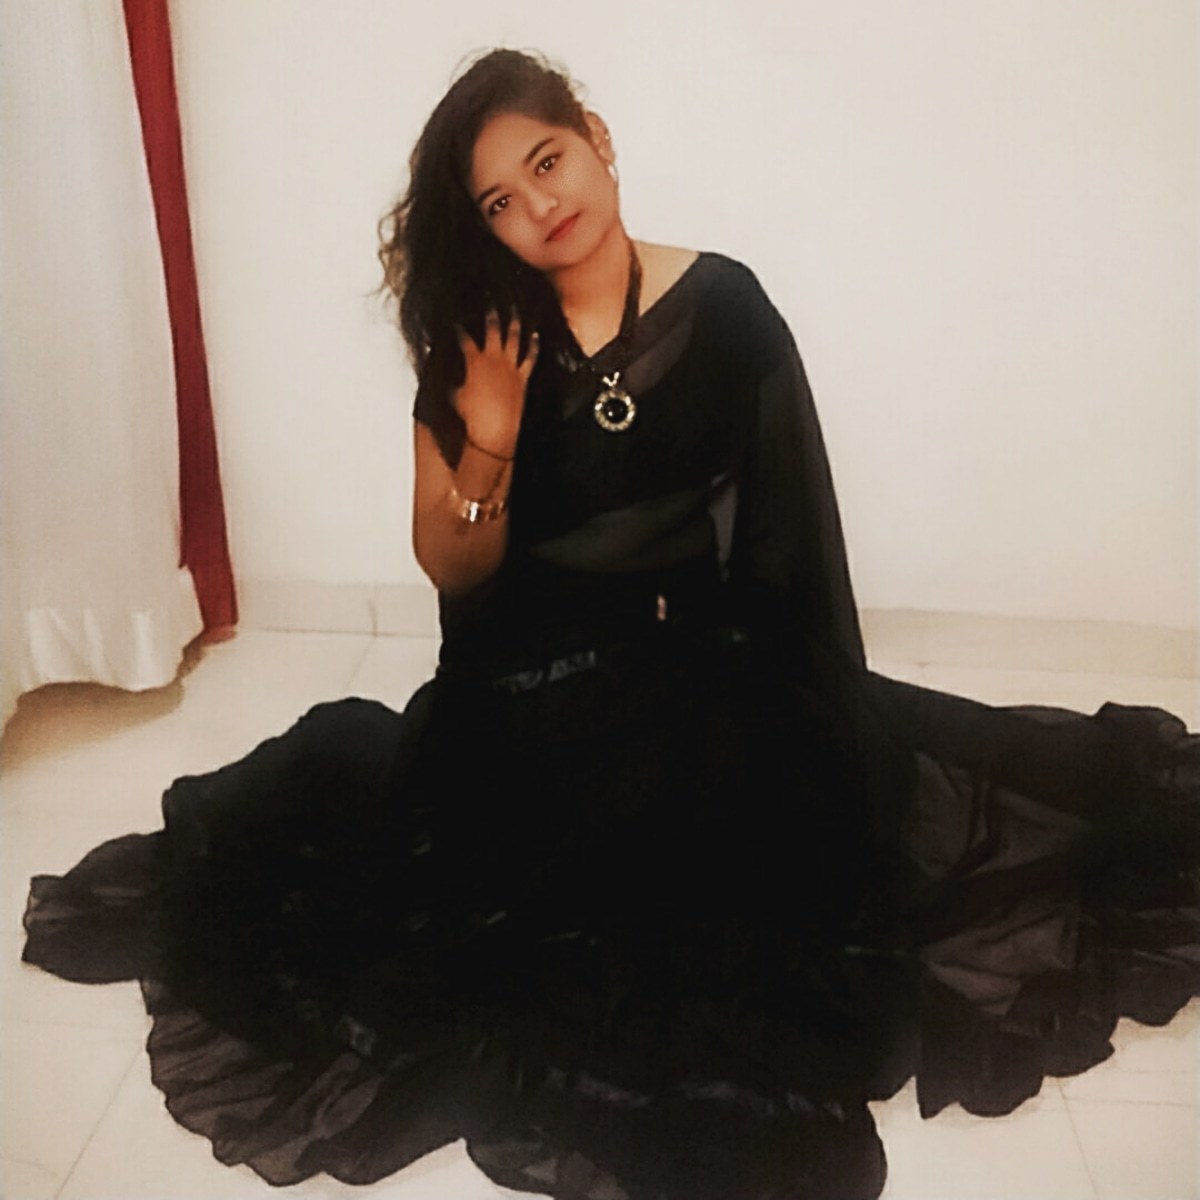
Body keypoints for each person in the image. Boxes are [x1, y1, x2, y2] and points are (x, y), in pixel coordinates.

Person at [21, 47, 1200, 1200]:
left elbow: (787, 543)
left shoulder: (726, 307)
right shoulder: (481, 335)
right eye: (501, 200)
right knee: (488, 917)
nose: (540, 207)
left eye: (548, 162)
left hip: (695, 669)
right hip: (526, 699)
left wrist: (794, 721)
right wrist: (491, 431)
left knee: (811, 848)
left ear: (596, 142)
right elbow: (452, 565)